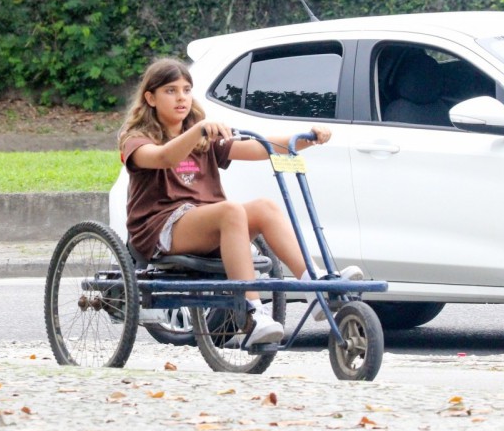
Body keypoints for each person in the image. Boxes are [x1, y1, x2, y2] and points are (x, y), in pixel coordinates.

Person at [118, 58, 363, 347]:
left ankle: (315, 285)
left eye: (186, 90)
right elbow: (164, 158)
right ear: (151, 98)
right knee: (231, 210)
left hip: (208, 220)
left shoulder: (202, 137)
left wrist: (306, 139)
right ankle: (253, 313)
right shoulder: (135, 139)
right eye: (170, 91)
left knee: (264, 207)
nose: (181, 97)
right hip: (161, 228)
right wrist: (198, 131)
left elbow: (257, 147)